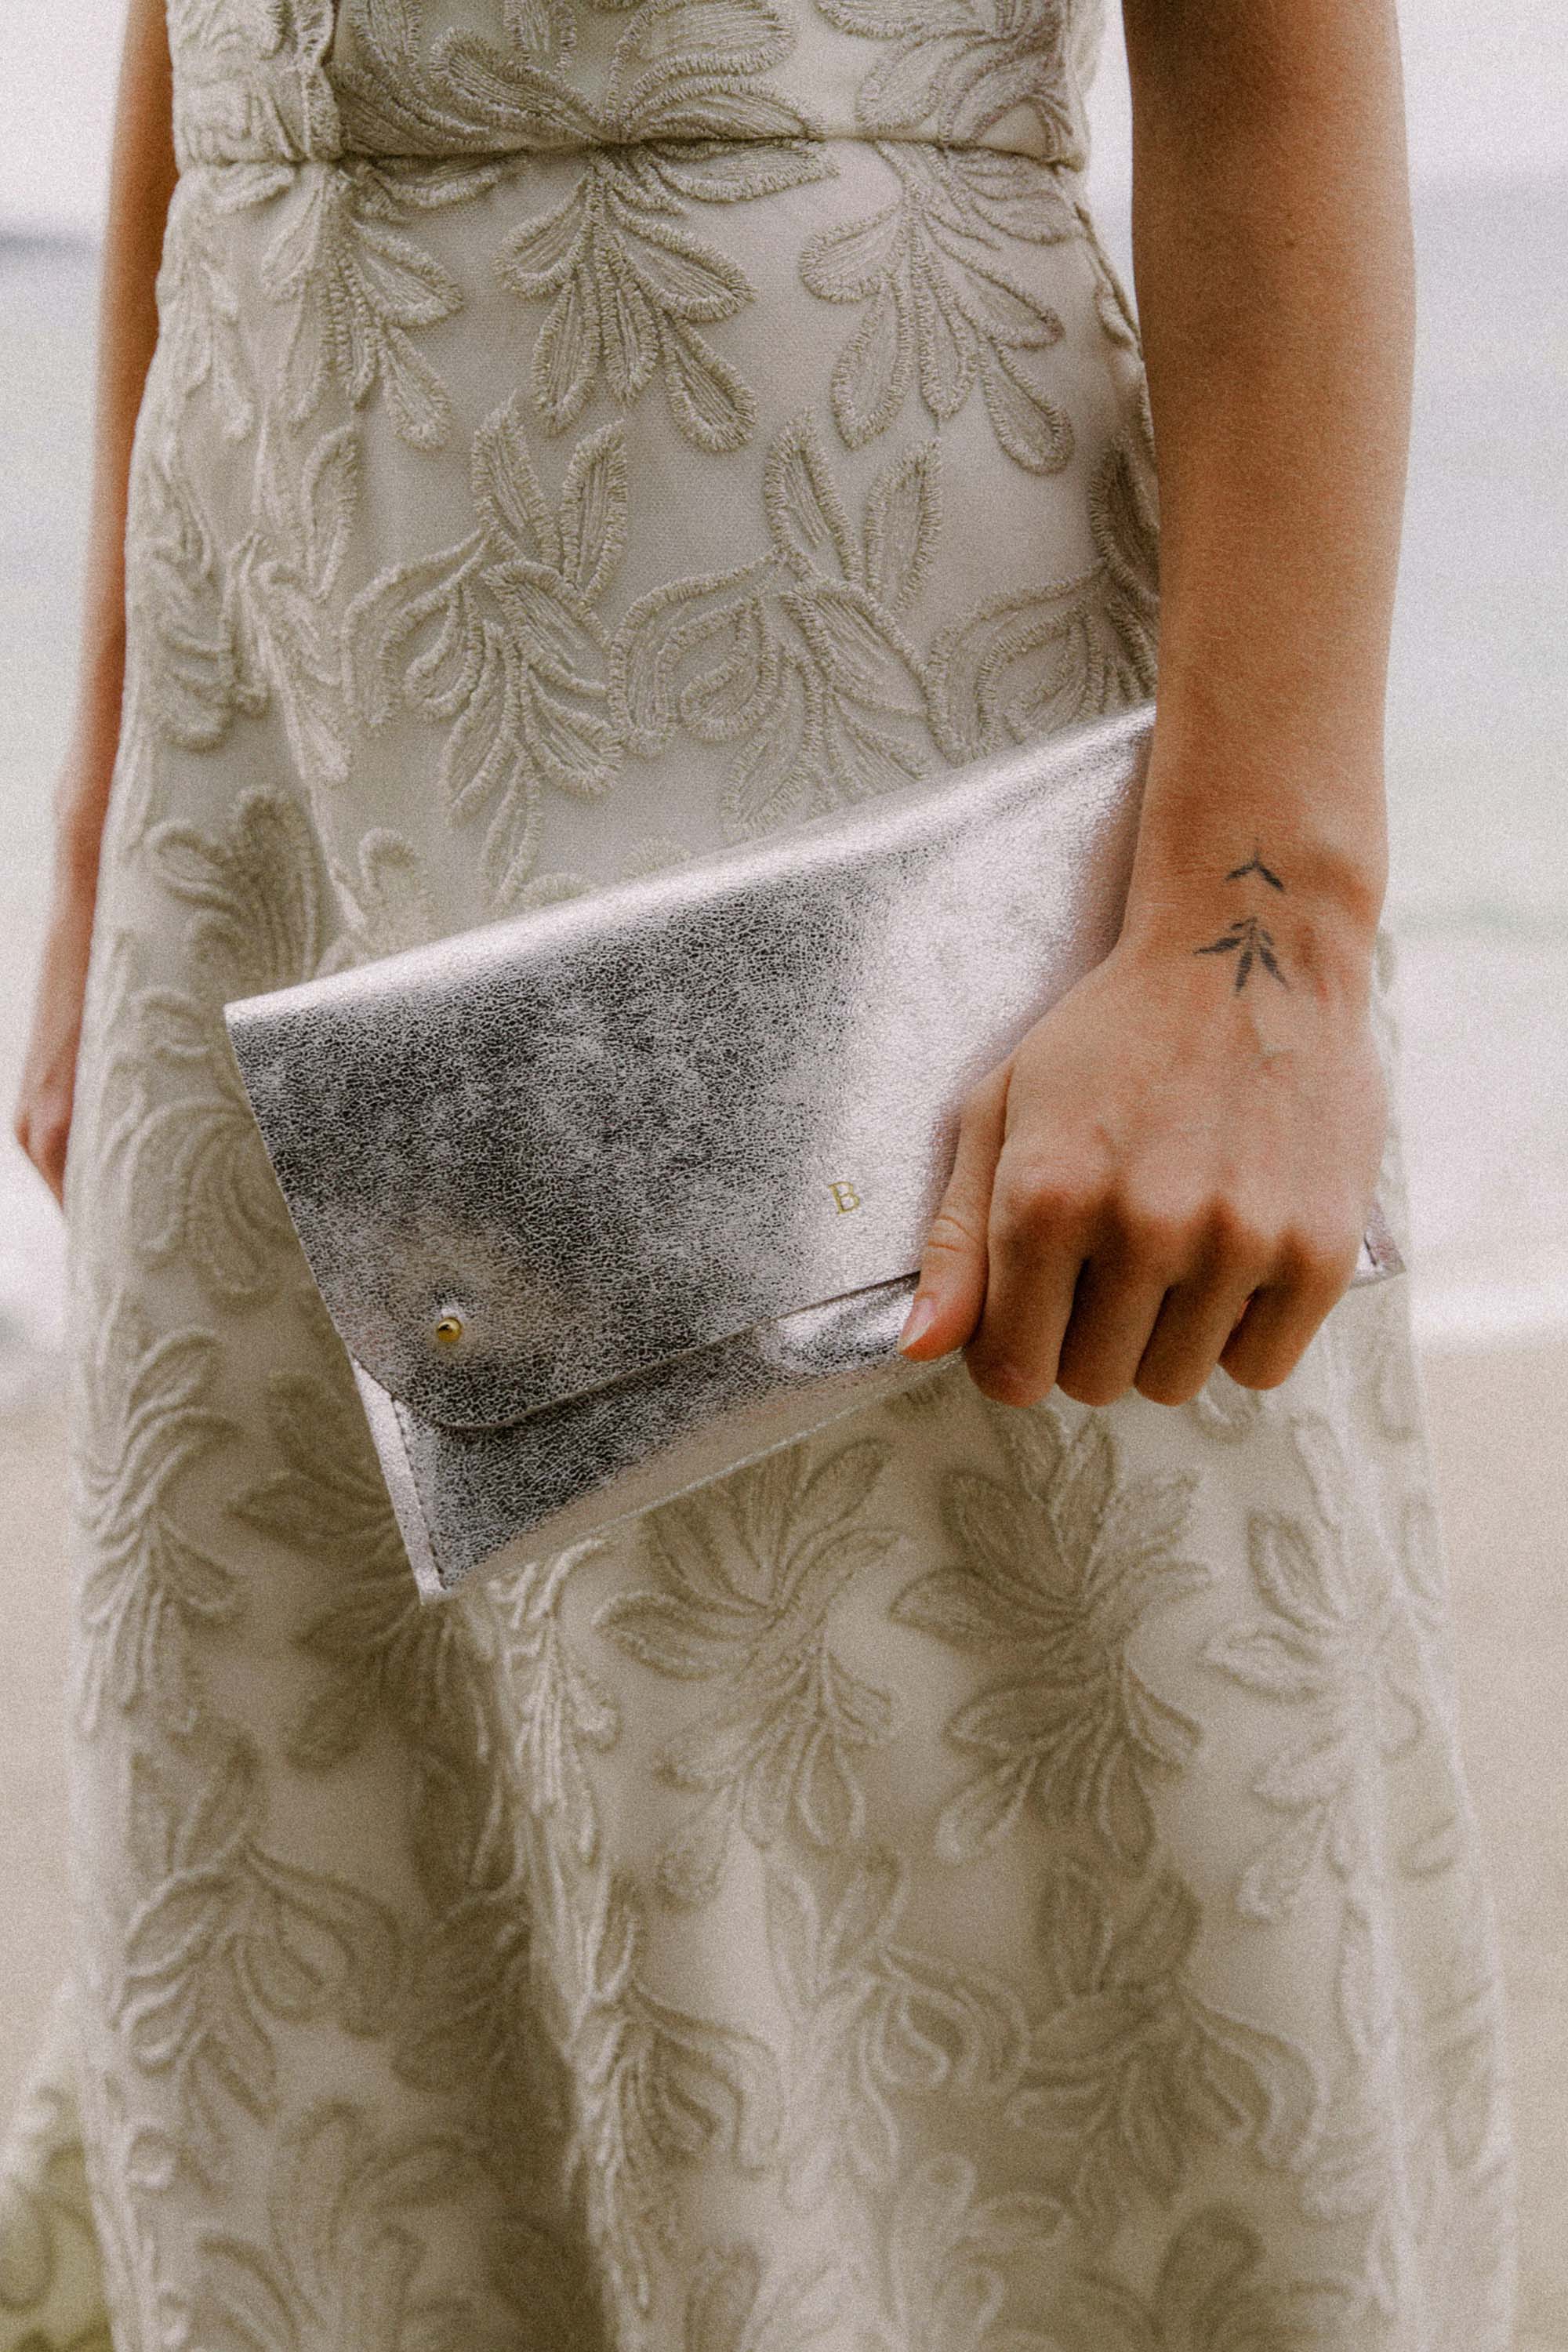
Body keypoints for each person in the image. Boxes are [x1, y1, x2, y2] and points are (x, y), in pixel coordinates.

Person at [5, 0, 1519, 2342]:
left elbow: (1270, 47)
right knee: (374, 2006)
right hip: (265, 752)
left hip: (844, 675)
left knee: (971, 1995)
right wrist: (105, 841)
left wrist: (1268, 933)